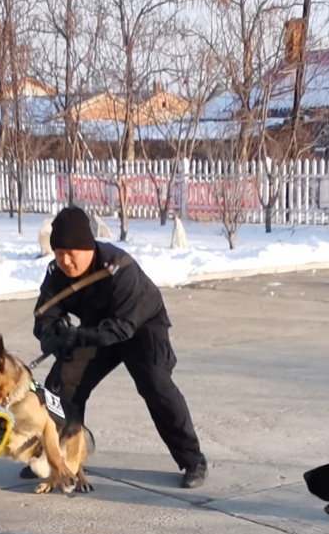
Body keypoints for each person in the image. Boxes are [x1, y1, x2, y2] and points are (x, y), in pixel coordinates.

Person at [33, 205, 207, 488]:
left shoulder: (119, 267)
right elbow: (44, 314)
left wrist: (75, 336)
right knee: (60, 385)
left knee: (157, 385)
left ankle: (193, 460)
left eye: (71, 253)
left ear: (88, 248)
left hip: (141, 328)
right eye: (59, 253)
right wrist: (52, 337)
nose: (65, 260)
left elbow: (121, 328)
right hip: (93, 331)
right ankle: (57, 456)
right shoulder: (57, 273)